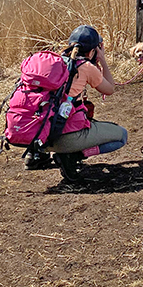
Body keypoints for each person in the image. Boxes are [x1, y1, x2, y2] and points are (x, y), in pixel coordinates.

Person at [48, 24, 128, 180]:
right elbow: (110, 89)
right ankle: (72, 156)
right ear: (93, 51)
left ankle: (35, 156)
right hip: (64, 139)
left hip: (38, 137)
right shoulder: (85, 67)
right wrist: (103, 61)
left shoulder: (53, 62)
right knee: (121, 136)